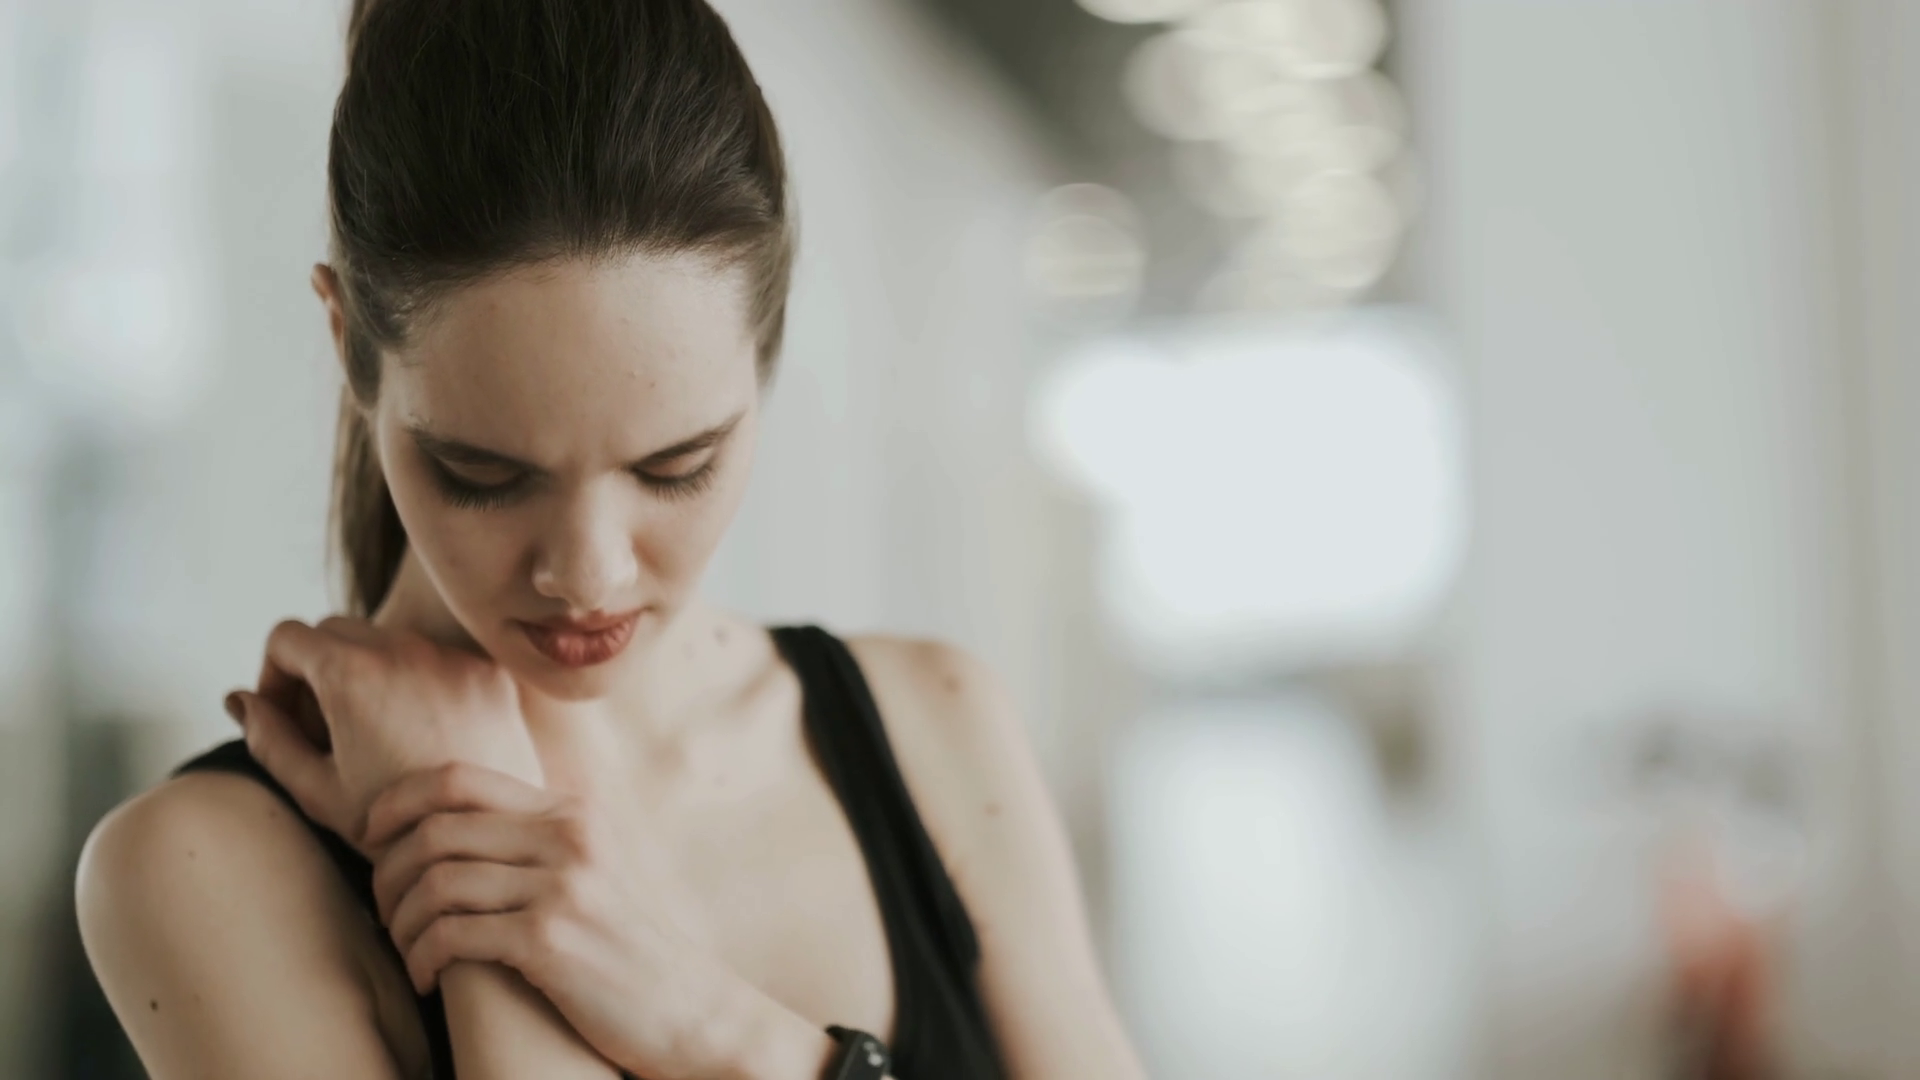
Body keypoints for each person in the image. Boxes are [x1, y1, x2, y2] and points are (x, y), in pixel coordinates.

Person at [71, 1, 1147, 1077]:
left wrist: (707, 1023)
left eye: (676, 467)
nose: (588, 574)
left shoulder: (932, 725)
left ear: (767, 351)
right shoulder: (201, 869)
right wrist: (467, 826)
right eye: (484, 477)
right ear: (348, 340)